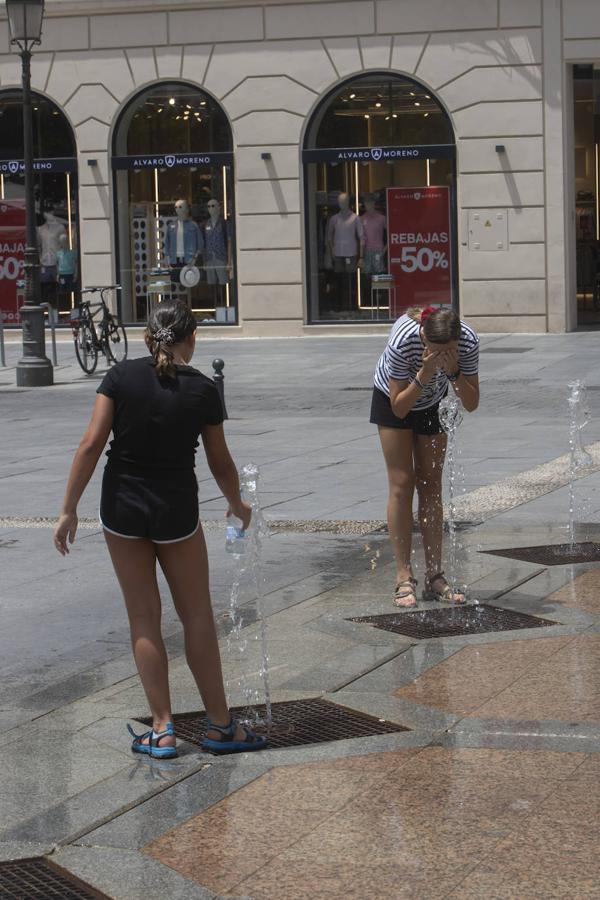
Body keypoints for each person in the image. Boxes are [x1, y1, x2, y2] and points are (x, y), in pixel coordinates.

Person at [53, 300, 267, 758]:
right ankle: (221, 726)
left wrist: (68, 509)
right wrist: (238, 506)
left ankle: (163, 729)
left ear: (147, 336)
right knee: (197, 618)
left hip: (122, 508)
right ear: (192, 340)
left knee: (143, 618)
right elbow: (219, 461)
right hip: (176, 511)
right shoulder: (203, 390)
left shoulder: (120, 377)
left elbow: (90, 445)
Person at [370, 306, 480, 607]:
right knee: (402, 482)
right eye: (436, 350)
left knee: (431, 483)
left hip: (433, 402)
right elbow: (398, 407)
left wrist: (453, 371)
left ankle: (435, 576)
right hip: (395, 398)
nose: (444, 354)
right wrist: (426, 372)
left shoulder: (468, 341)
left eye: (450, 350)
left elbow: (471, 402)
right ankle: (403, 576)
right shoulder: (404, 340)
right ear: (424, 339)